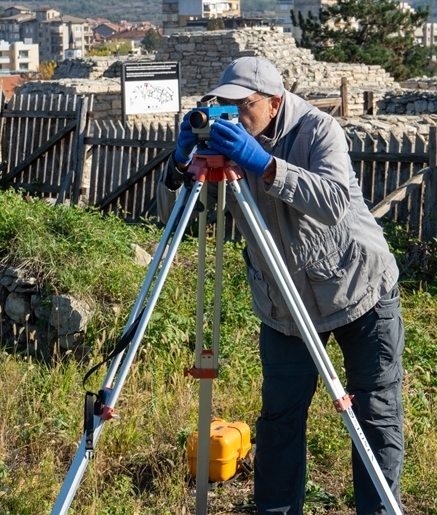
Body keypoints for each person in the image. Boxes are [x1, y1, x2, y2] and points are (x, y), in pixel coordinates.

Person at [156, 56, 404, 515]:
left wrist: (266, 165)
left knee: (375, 415)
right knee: (280, 421)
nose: (231, 115)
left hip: (358, 291)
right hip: (285, 305)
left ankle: (379, 509)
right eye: (221, 105)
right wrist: (181, 165)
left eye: (242, 106)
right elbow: (187, 214)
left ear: (274, 102)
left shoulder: (318, 130)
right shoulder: (227, 144)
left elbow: (333, 202)